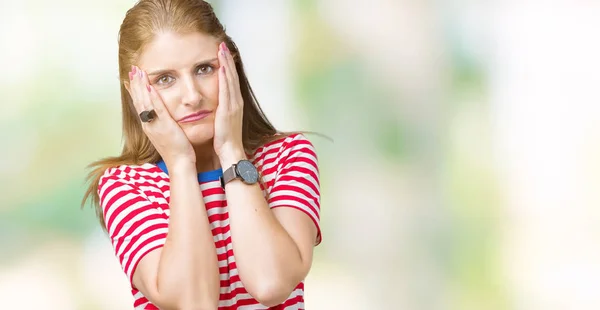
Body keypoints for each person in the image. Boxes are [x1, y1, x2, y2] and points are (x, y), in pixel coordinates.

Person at [81, 0, 322, 309]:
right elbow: (193, 302)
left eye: (204, 69)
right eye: (165, 79)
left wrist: (232, 153)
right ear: (135, 92)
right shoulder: (126, 186)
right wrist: (181, 165)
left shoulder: (288, 157)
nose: (192, 97)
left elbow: (271, 283)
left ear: (230, 67)